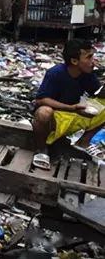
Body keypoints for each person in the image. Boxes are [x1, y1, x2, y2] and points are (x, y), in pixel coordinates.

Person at [32, 39, 105, 170]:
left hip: (76, 115)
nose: (93, 61)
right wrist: (71, 108)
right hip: (56, 118)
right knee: (43, 112)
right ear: (74, 61)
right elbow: (41, 100)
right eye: (89, 57)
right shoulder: (55, 73)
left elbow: (97, 94)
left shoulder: (88, 75)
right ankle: (42, 150)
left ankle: (84, 142)